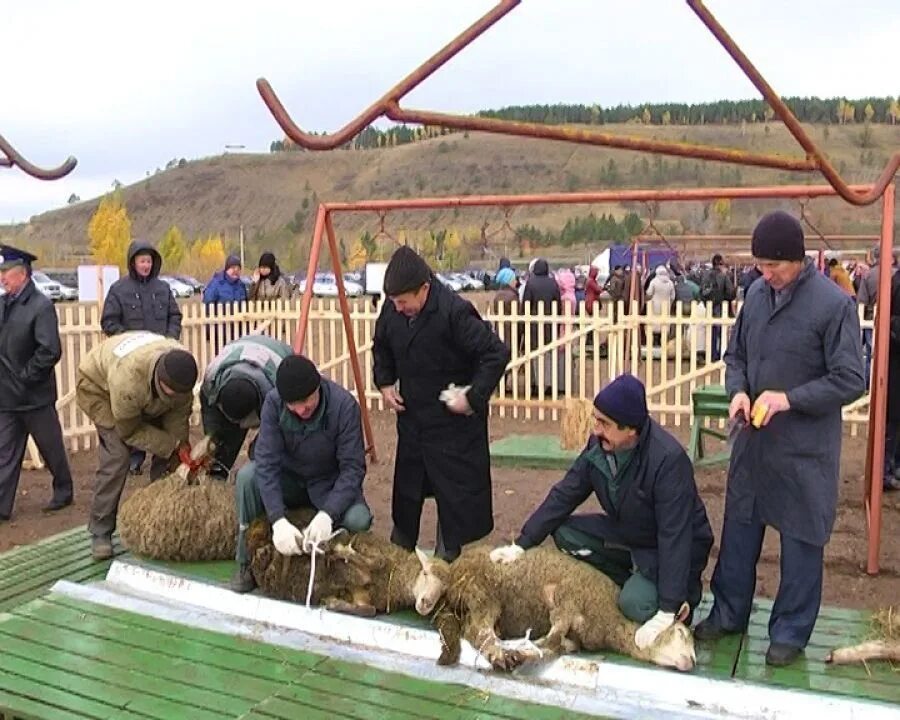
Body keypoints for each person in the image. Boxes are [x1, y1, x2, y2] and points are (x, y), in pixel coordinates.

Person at [694, 211, 865, 667]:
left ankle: (789, 631)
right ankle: (728, 612)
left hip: (805, 451)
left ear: (798, 259)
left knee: (802, 541)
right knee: (739, 535)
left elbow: (851, 378)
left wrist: (789, 399)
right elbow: (736, 356)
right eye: (760, 266)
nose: (765, 274)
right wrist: (738, 394)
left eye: (774, 266)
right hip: (754, 444)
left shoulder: (832, 305)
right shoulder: (755, 295)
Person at [490, 374, 713, 650]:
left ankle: (681, 602)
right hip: (632, 533)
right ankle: (634, 578)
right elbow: (566, 492)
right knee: (566, 533)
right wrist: (522, 544)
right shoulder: (600, 446)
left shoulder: (668, 461)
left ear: (630, 429)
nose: (595, 429)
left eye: (604, 423)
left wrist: (667, 608)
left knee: (633, 605)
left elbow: (675, 536)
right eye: (596, 419)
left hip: (669, 548)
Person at [373, 246, 509, 562]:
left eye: (404, 302)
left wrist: (472, 397)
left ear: (424, 288)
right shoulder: (392, 310)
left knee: (454, 500)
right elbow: (381, 345)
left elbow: (496, 354)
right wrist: (384, 382)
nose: (398, 308)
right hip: (414, 421)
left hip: (454, 426)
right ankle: (401, 549)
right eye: (394, 302)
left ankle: (447, 556)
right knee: (407, 494)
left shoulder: (454, 313)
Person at [230, 354, 372, 592]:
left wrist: (328, 513)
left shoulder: (344, 406)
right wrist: (277, 519)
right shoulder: (273, 404)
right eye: (293, 404)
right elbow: (266, 463)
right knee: (247, 477)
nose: (302, 408)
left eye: (307, 400)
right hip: (290, 481)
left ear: (318, 386)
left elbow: (353, 468)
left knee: (359, 519)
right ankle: (246, 563)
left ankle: (340, 567)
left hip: (328, 484)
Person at [76, 331, 198, 560]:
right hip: (99, 388)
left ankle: (160, 520)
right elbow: (129, 431)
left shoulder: (181, 374)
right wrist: (170, 444)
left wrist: (180, 448)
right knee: (117, 457)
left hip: (144, 391)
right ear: (160, 381)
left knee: (171, 453)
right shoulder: (129, 381)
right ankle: (100, 530)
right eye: (170, 394)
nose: (175, 398)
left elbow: (178, 419)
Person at [0, 245, 74, 522]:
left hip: (34, 396)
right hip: (6, 397)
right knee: (4, 452)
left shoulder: (40, 306)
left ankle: (64, 489)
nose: (2, 278)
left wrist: (26, 376)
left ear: (24, 274)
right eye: (1, 273)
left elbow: (50, 350)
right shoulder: (3, 303)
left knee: (50, 446)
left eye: (7, 273)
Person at [101, 239, 183, 476]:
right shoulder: (119, 290)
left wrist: (170, 340)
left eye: (148, 261)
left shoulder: (163, 289)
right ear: (133, 262)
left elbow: (174, 316)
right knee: (134, 409)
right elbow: (109, 321)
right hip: (132, 363)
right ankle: (134, 457)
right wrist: (126, 342)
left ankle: (162, 460)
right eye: (141, 261)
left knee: (160, 408)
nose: (145, 265)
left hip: (160, 361)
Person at [200, 334, 292, 479]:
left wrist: (255, 454)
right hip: (240, 352)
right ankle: (217, 476)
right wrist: (212, 437)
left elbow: (279, 430)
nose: (240, 426)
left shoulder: (280, 393)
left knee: (266, 454)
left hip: (275, 355)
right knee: (224, 438)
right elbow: (210, 410)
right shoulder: (212, 377)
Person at [522, 258, 561, 396]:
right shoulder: (553, 283)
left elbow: (525, 305)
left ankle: (538, 384)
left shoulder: (530, 283)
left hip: (533, 325)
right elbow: (559, 304)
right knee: (549, 354)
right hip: (550, 324)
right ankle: (550, 384)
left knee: (535, 355)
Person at [700, 254, 736, 361]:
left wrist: (706, 303)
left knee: (711, 332)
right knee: (722, 332)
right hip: (721, 307)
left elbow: (701, 291)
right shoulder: (723, 276)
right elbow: (731, 293)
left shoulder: (705, 275)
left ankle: (711, 355)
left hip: (709, 307)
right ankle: (722, 354)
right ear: (720, 263)